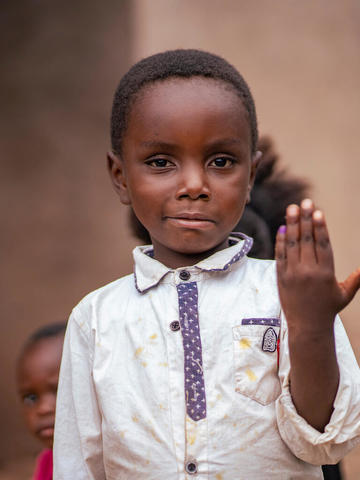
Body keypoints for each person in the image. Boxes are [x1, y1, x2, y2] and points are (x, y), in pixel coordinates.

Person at [54, 49, 360, 479]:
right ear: (120, 176)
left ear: (250, 175)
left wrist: (310, 327)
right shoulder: (95, 320)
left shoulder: (286, 292)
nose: (194, 185)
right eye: (161, 162)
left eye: (221, 162)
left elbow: (326, 442)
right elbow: (77, 466)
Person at [17, 322, 66, 480]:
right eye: (31, 398)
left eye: (59, 391)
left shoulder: (113, 461)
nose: (43, 409)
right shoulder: (47, 462)